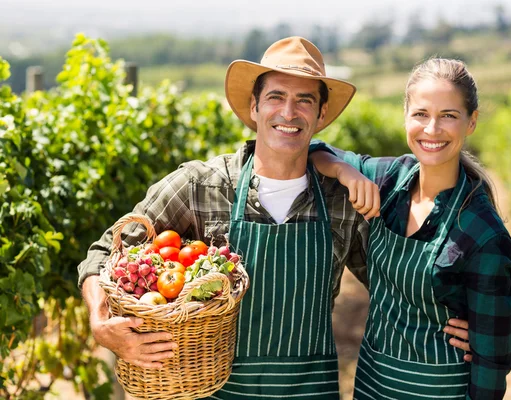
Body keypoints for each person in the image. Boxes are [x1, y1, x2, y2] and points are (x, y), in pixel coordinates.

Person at [78, 38, 469, 399]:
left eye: (303, 100)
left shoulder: (342, 200)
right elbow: (103, 251)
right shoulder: (201, 186)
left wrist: (462, 318)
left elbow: (395, 284)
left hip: (309, 391)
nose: (288, 112)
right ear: (255, 106)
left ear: (321, 112)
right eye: (276, 96)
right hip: (211, 390)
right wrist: (100, 324)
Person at [309, 58, 511, 399]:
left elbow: (491, 367)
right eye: (421, 114)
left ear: (471, 122)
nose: (432, 129)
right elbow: (314, 150)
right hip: (372, 384)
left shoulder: (483, 234)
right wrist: (343, 171)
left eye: (448, 115)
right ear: (406, 116)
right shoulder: (388, 180)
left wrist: (481, 337)